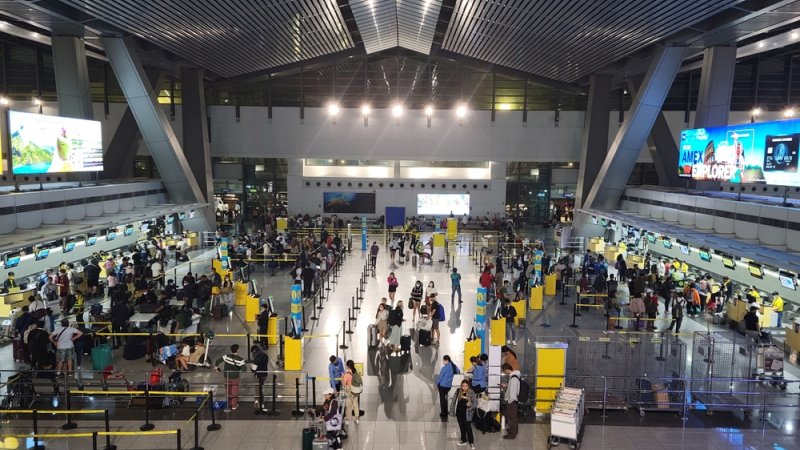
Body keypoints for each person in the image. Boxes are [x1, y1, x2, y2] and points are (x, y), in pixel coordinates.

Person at [214, 344, 246, 410]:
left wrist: (216, 368)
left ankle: (229, 403)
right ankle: (234, 406)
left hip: (226, 376)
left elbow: (217, 361)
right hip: (235, 377)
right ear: (237, 350)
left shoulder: (226, 356)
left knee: (228, 390)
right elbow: (244, 369)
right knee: (234, 391)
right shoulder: (240, 359)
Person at [501, 362, 520, 439]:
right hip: (512, 400)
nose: (504, 372)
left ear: (507, 369)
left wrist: (509, 400)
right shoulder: (513, 376)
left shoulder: (514, 378)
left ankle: (512, 434)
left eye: (504, 371)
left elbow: (513, 391)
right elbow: (511, 387)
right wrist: (506, 386)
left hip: (512, 401)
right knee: (513, 417)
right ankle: (514, 430)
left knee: (512, 418)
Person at [455, 379, 477, 448]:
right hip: (459, 413)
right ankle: (464, 440)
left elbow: (475, 403)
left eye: (466, 386)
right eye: (463, 386)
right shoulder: (459, 391)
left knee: (468, 428)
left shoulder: (471, 392)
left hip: (467, 414)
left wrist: (470, 405)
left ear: (468, 386)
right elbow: (454, 401)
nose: (464, 387)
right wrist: (452, 411)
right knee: (462, 427)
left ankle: (471, 442)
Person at [342, 360, 361, 425]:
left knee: (348, 406)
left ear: (347, 366)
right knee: (355, 405)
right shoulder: (356, 372)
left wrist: (342, 378)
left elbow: (344, 384)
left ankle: (347, 420)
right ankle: (357, 419)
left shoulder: (346, 375)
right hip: (356, 391)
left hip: (349, 391)